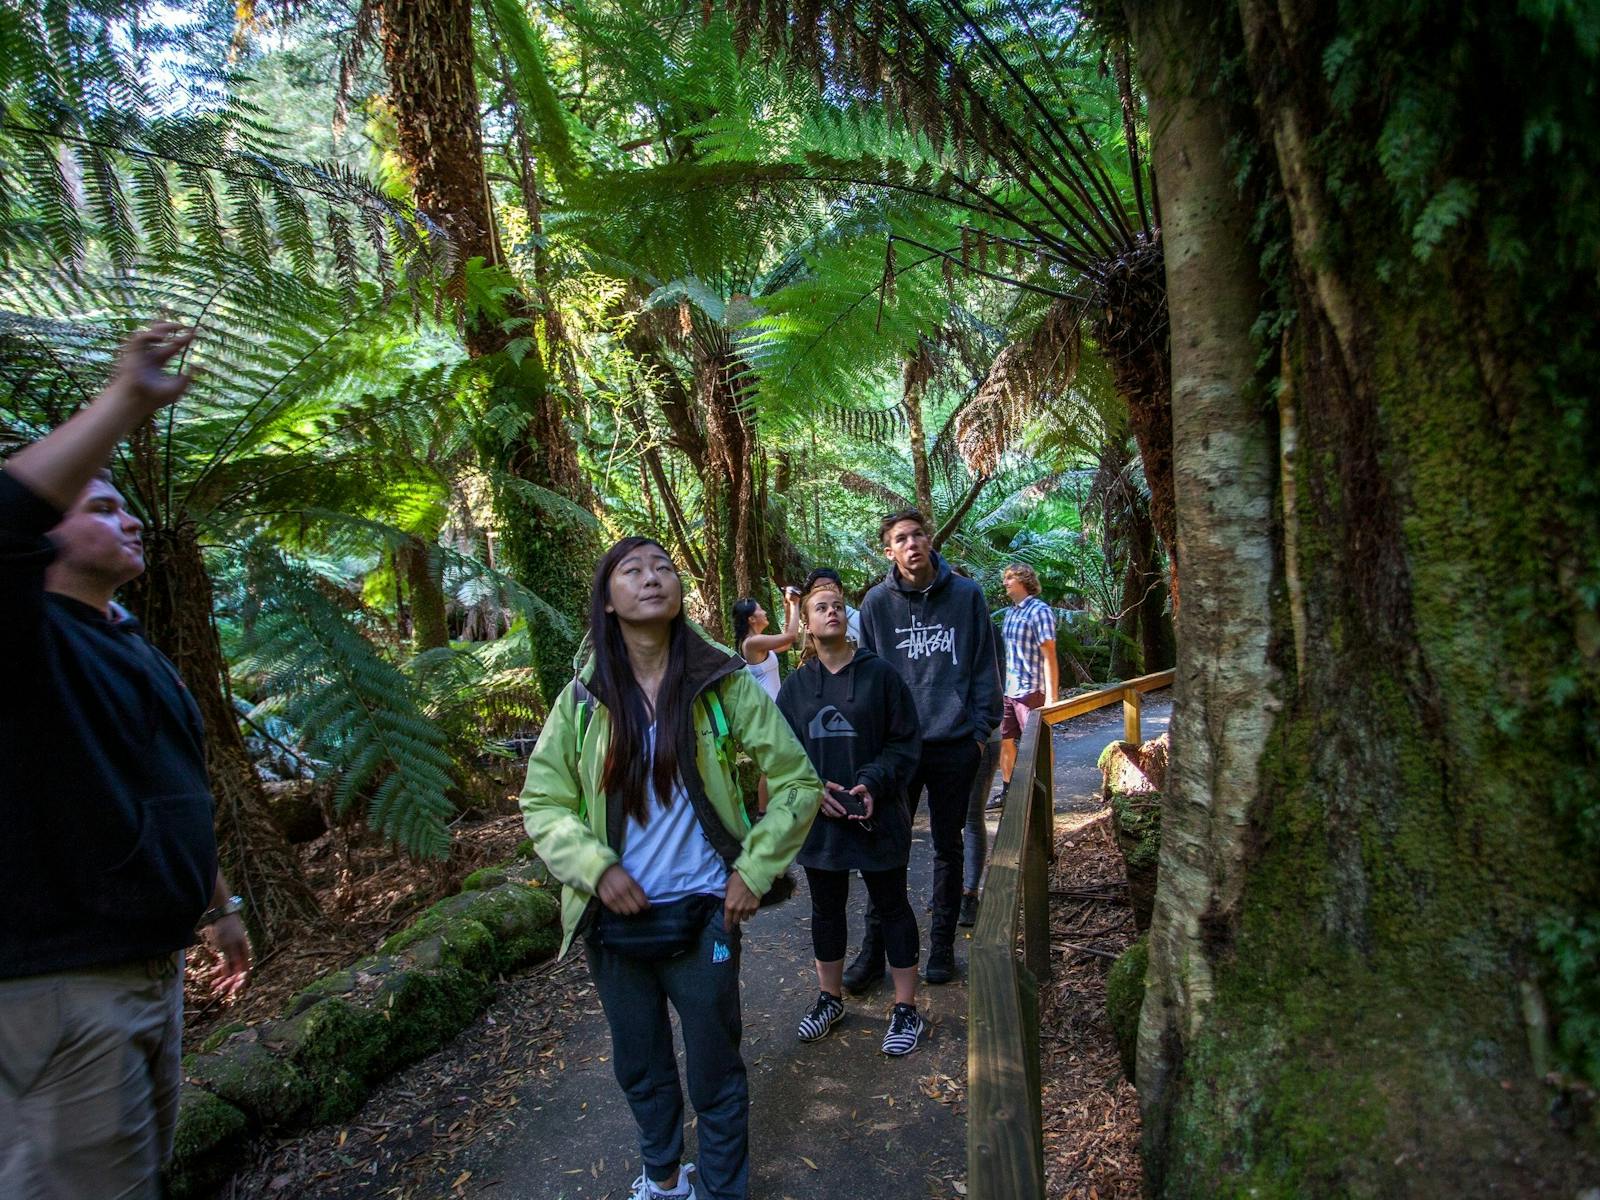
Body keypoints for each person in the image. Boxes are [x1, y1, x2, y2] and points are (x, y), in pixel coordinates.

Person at [0, 323, 253, 1199]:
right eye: (101, 507)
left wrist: (220, 908)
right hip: (61, 988)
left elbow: (177, 792)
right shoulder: (25, 643)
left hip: (147, 972)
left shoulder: (127, 640)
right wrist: (122, 403)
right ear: (45, 538)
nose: (131, 517)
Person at [519, 537, 822, 1200]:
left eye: (663, 567)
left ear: (679, 591)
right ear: (608, 598)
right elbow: (543, 801)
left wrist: (753, 869)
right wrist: (595, 868)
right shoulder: (582, 700)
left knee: (715, 1067)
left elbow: (797, 781)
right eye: (632, 570)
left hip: (704, 911)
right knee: (642, 1065)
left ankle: (719, 1189)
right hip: (615, 922)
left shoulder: (720, 685)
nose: (651, 577)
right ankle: (662, 1180)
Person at [849, 509, 1002, 989]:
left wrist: (980, 730)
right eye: (900, 538)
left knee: (947, 847)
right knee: (884, 846)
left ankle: (941, 947)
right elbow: (869, 674)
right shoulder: (876, 604)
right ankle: (877, 949)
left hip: (955, 742)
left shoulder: (966, 594)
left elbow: (984, 664)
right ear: (888, 550)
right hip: (900, 747)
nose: (912, 544)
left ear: (928, 539)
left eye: (917, 534)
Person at [776, 578, 925, 1054]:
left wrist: (876, 779)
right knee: (826, 909)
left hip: (876, 814)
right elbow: (781, 753)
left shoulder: (880, 675)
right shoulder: (797, 688)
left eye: (838, 605)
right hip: (821, 820)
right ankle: (829, 997)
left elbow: (906, 741)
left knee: (892, 906)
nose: (832, 612)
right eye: (821, 607)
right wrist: (810, 788)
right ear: (809, 625)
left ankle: (906, 1008)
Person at [989, 563, 1060, 810]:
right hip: (1010, 689)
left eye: (1010, 578)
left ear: (1024, 580)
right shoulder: (1011, 613)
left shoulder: (1039, 611)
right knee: (1004, 739)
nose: (1005, 582)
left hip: (1032, 689)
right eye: (1005, 577)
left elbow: (1049, 653)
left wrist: (1052, 697)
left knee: (1036, 745)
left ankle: (1041, 792)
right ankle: (1009, 791)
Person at [730, 590, 800, 700]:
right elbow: (792, 636)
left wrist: (787, 608)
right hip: (767, 708)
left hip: (773, 705)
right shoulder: (753, 642)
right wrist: (795, 603)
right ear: (752, 619)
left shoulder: (756, 643)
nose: (765, 612)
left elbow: (787, 644)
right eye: (760, 609)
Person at [799, 566, 862, 645]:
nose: (824, 592)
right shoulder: (812, 626)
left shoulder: (860, 620)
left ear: (841, 591)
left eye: (829, 587)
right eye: (817, 589)